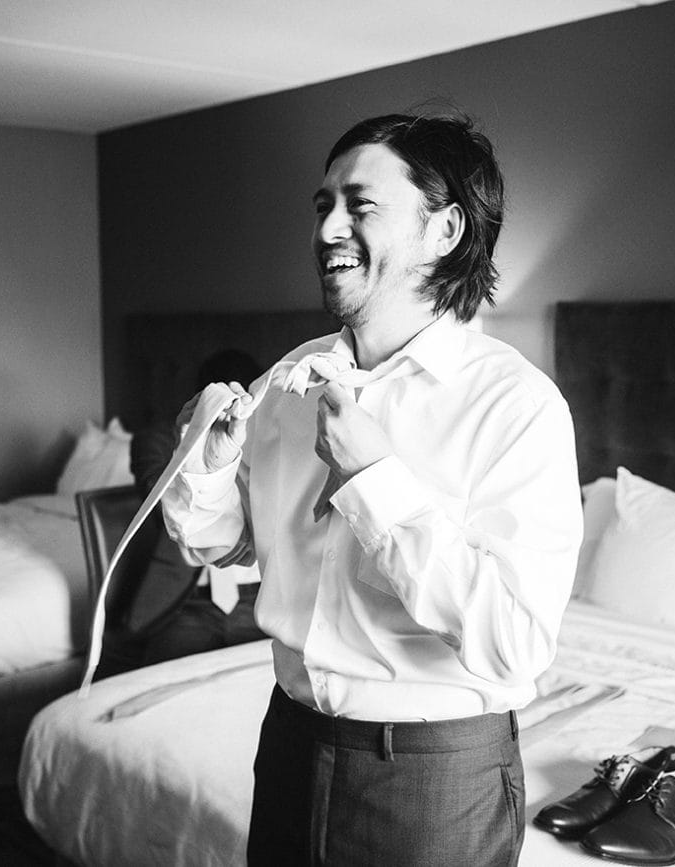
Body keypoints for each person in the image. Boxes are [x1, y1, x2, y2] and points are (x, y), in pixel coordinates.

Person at [161, 112, 583, 866]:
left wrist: (377, 481)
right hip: (290, 741)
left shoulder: (516, 407)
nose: (328, 229)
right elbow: (223, 544)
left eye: (361, 206)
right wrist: (210, 462)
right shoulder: (287, 381)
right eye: (323, 205)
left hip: (432, 780)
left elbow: (514, 644)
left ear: (444, 229)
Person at [128, 349, 266, 667]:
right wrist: (195, 448)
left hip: (260, 596)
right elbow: (156, 504)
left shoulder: (277, 437)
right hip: (188, 601)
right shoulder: (161, 438)